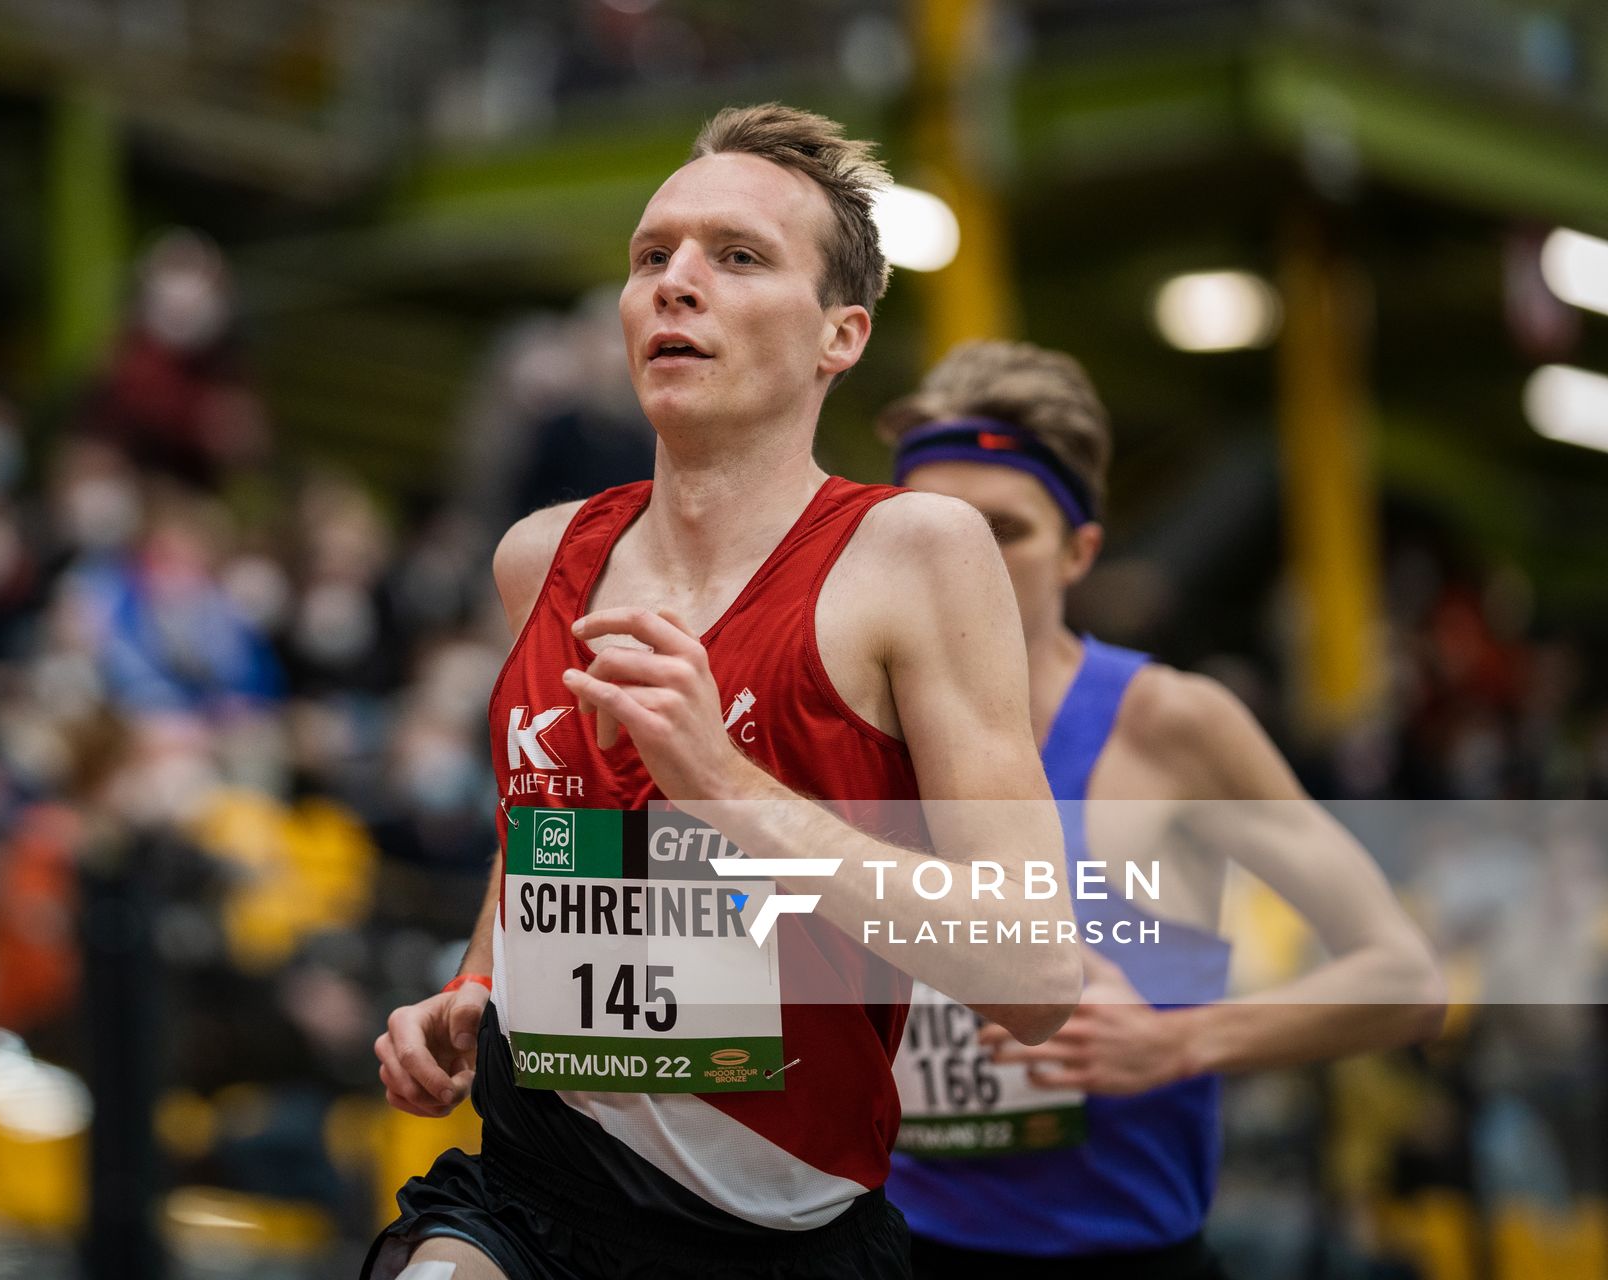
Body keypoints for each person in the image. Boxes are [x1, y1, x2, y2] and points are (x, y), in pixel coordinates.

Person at [365, 105, 1084, 1280]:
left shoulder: (917, 554)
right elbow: (547, 824)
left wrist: (727, 786)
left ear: (838, 335)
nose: (675, 284)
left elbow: (1036, 969)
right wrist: (479, 980)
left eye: (737, 257)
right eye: (653, 256)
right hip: (538, 1178)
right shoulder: (539, 557)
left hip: (780, 1229)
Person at [879, 340, 1446, 1278]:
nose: (962, 559)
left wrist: (1180, 1041)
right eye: (929, 525)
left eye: (1006, 529)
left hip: (1117, 1258)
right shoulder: (848, 722)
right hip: (887, 1249)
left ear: (1079, 552)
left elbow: (1406, 978)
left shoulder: (1170, 726)